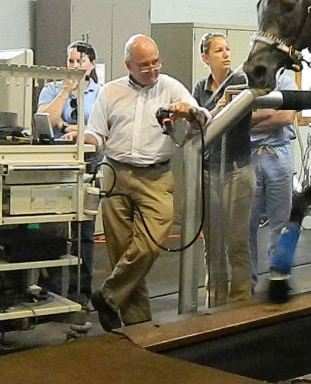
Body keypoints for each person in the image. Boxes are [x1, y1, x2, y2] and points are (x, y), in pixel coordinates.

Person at [74, 34, 210, 331]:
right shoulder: (110, 92)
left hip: (156, 175)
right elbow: (97, 135)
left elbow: (204, 116)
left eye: (155, 62)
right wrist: (80, 139)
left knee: (149, 245)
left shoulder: (171, 87)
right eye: (144, 65)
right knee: (122, 252)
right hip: (115, 173)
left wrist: (192, 112)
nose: (152, 70)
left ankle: (107, 295)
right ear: (128, 65)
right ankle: (139, 326)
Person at [192, 32, 256, 304]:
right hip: (209, 171)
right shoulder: (199, 88)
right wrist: (217, 108)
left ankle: (240, 300)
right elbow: (198, 125)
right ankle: (215, 298)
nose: (227, 54)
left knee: (237, 241)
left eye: (228, 49)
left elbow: (235, 118)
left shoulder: (240, 82)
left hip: (236, 170)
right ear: (205, 58)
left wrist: (217, 112)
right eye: (219, 50)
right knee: (213, 242)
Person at [36, 40, 102, 305]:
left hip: (87, 165)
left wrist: (76, 131)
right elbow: (44, 119)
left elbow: (98, 130)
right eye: (71, 61)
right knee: (51, 230)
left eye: (81, 62)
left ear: (91, 65)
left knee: (83, 233)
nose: (75, 66)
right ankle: (48, 290)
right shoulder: (52, 88)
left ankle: (80, 293)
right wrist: (66, 90)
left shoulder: (101, 92)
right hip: (55, 166)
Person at [249, 73, 297, 291]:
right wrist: (270, 113)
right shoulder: (242, 80)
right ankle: (246, 281)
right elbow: (240, 118)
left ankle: (278, 276)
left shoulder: (285, 81)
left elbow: (286, 117)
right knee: (247, 223)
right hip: (249, 155)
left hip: (279, 154)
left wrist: (254, 118)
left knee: (281, 219)